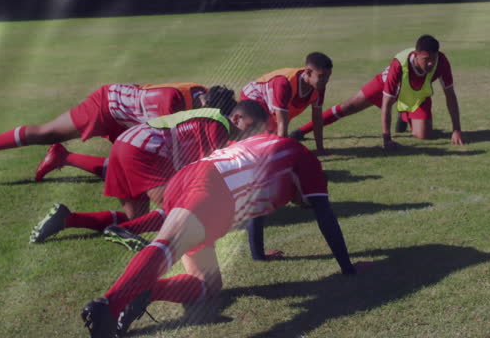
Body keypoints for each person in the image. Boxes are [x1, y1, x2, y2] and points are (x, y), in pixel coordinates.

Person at [80, 133, 365, 338]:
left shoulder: (271, 151)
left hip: (191, 177)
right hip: (216, 189)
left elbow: (257, 210)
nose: (299, 204)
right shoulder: (307, 162)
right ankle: (110, 304)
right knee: (167, 245)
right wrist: (348, 269)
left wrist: (259, 254)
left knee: (208, 285)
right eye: (304, 201)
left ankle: (147, 291)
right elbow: (325, 216)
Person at [29, 97, 269, 244]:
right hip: (142, 150)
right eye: (252, 127)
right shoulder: (220, 126)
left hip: (129, 143)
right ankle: (159, 250)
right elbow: (202, 170)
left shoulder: (215, 119)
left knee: (136, 220)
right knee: (182, 207)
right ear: (236, 117)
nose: (252, 133)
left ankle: (67, 219)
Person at [0, 82, 212, 185]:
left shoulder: (200, 91)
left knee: (127, 170)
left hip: (126, 113)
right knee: (47, 132)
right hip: (107, 105)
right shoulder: (173, 107)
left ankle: (64, 157)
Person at [291, 35, 464, 150]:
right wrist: (386, 138)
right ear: (416, 54)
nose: (430, 64)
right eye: (426, 60)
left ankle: (404, 115)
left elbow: (450, 95)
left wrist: (456, 130)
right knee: (349, 106)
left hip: (417, 94)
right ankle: (301, 131)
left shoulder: (442, 62)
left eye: (433, 59)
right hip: (387, 85)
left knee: (424, 136)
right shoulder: (399, 64)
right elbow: (386, 103)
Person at [240, 52, 332, 154]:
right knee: (264, 137)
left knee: (272, 139)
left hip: (270, 104)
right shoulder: (285, 83)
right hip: (253, 96)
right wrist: (282, 156)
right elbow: (282, 123)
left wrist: (320, 149)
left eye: (328, 76)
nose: (326, 80)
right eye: (322, 76)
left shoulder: (319, 86)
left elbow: (317, 118)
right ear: (308, 72)